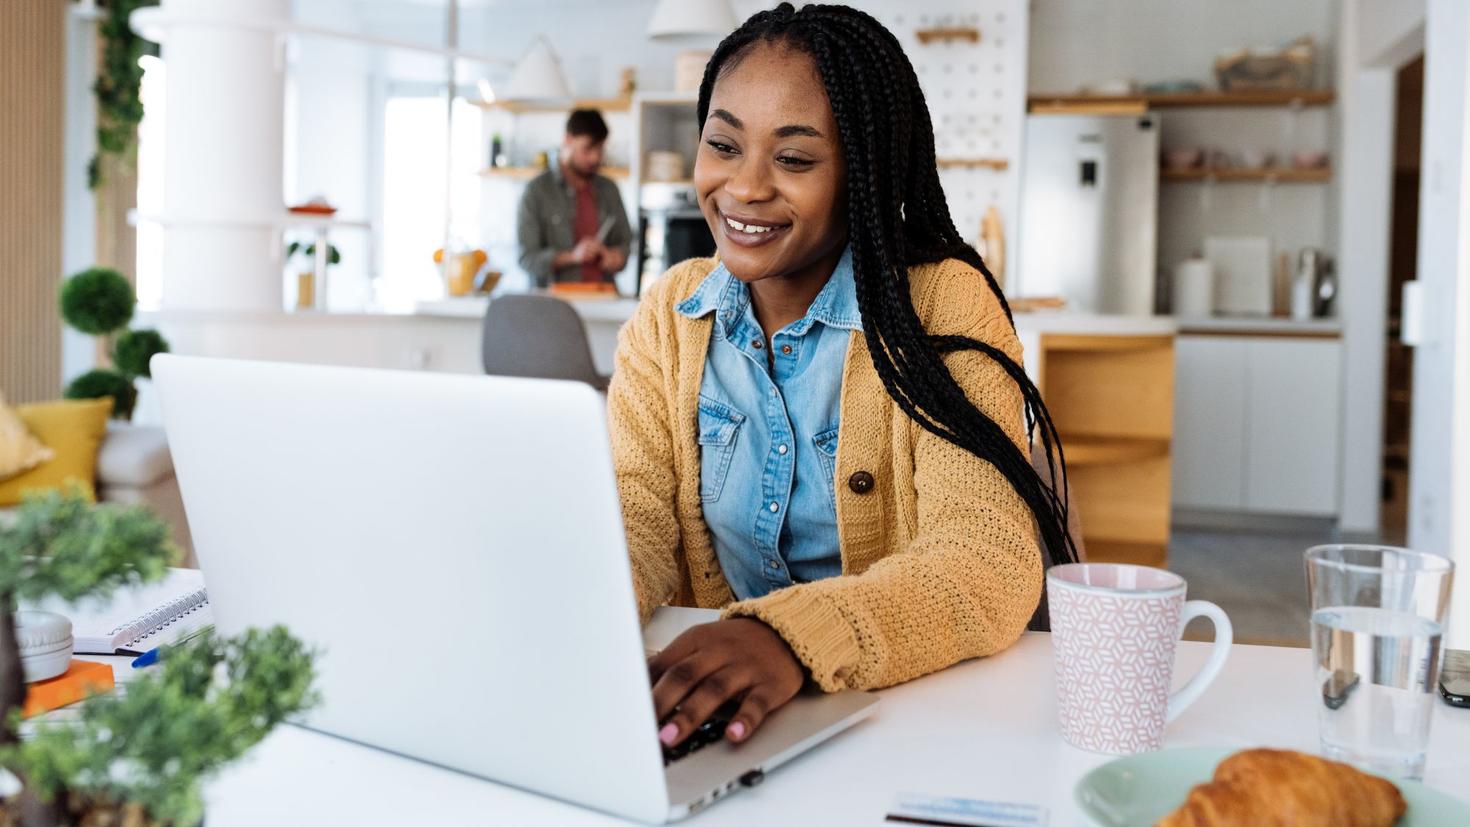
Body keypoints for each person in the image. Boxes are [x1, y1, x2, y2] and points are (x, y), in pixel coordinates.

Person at [607, 3, 1078, 753]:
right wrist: (575, 619)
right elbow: (635, 519)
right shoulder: (670, 313)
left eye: (793, 159)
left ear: (863, 173)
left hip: (905, 719)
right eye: (723, 144)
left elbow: (987, 558)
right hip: (721, 721)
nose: (745, 187)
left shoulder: (942, 303)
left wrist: (789, 639)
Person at [516, 109, 632, 287]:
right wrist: (572, 256)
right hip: (553, 303)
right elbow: (526, 258)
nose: (595, 158)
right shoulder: (536, 191)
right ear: (568, 140)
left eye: (600, 150)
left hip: (604, 300)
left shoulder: (609, 189)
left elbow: (625, 244)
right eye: (587, 149)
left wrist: (615, 257)